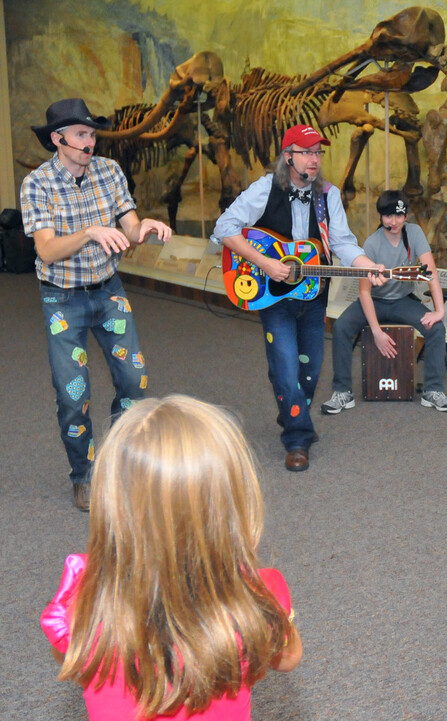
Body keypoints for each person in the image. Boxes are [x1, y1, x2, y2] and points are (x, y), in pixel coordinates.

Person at [40, 395, 302, 720]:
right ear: (230, 506)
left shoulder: (84, 597)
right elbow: (288, 659)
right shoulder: (255, 594)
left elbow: (69, 657)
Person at [20, 97, 173, 511]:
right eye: (82, 135)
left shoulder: (109, 172)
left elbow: (131, 228)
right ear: (58, 139)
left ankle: (121, 464)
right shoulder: (37, 184)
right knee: (74, 396)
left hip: (108, 292)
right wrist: (90, 232)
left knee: (134, 382)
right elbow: (48, 251)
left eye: (92, 134)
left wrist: (149, 229)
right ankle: (83, 476)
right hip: (61, 298)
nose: (90, 143)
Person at [212, 124, 383, 472]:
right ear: (288, 156)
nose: (314, 160)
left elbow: (343, 242)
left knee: (310, 369)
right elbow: (224, 228)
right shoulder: (265, 188)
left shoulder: (328, 195)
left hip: (313, 294)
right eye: (306, 152)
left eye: (318, 152)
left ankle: (294, 412)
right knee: (286, 367)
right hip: (272, 295)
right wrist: (264, 262)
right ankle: (297, 438)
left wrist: (368, 266)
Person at [322, 189, 447, 415]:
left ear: (406, 216)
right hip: (373, 302)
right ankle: (342, 392)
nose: (393, 222)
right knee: (342, 327)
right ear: (380, 216)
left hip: (402, 301)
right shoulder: (372, 244)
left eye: (398, 216)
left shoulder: (414, 234)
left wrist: (439, 311)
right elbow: (364, 293)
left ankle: (433, 391)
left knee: (436, 328)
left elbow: (430, 271)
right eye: (387, 216)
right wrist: (376, 332)